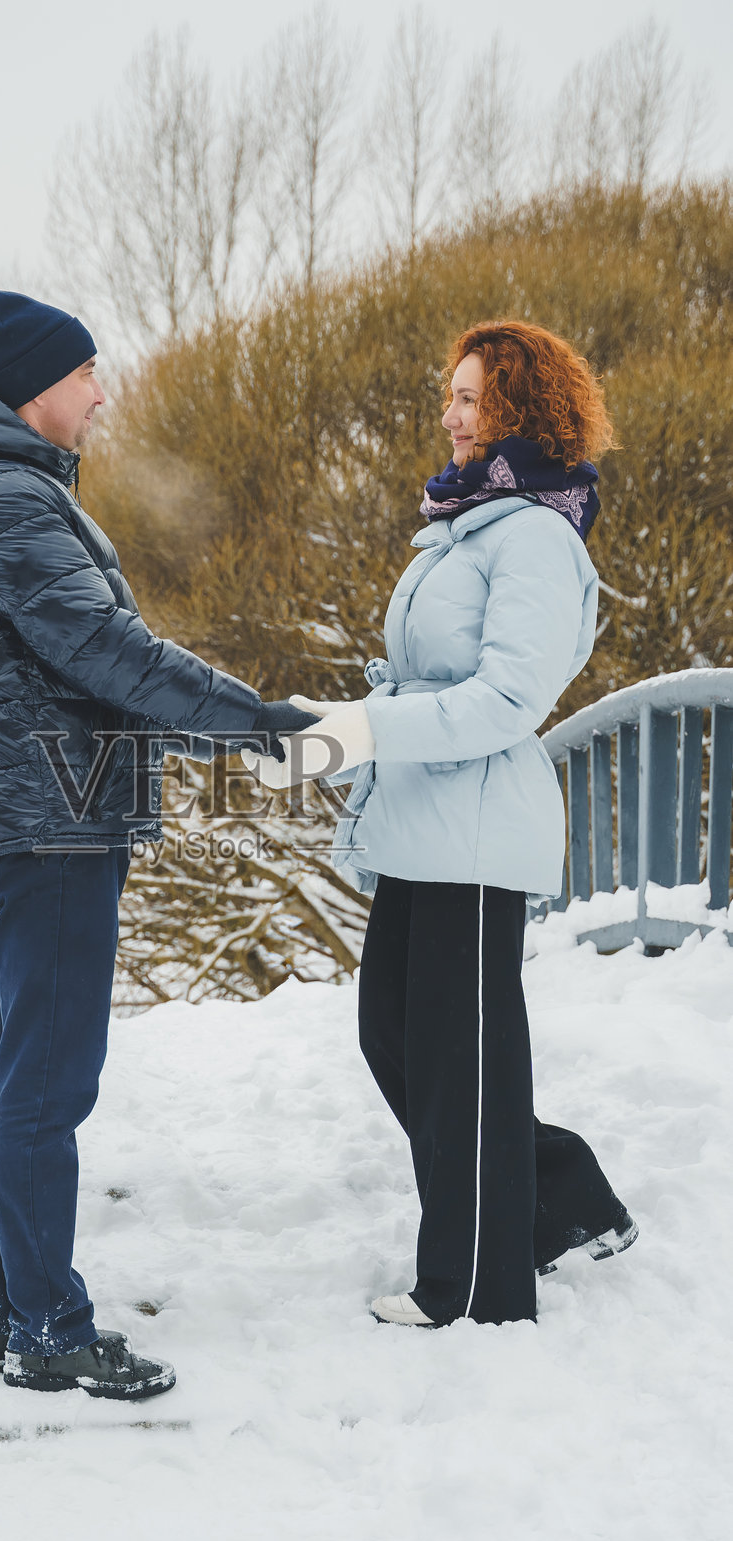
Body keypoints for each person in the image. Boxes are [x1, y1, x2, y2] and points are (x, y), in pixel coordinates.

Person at [0, 290, 315, 1397]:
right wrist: (257, 720)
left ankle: (2, 1311)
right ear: (33, 386)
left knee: (16, 1070)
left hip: (42, 812)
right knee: (46, 1081)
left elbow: (89, 661)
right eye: (85, 372)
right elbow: (103, 650)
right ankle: (50, 1327)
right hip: (50, 822)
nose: (100, 392)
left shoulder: (2, 489)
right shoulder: (6, 496)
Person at [245, 320, 637, 1327]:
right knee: (397, 1040)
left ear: (515, 407)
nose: (449, 414)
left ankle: (471, 1287)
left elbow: (508, 699)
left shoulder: (537, 539)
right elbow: (425, 676)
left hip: (471, 827)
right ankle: (558, 1196)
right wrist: (338, 724)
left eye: (468, 398)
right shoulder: (461, 525)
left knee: (457, 1061)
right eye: (449, 395)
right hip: (421, 819)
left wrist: (362, 729)